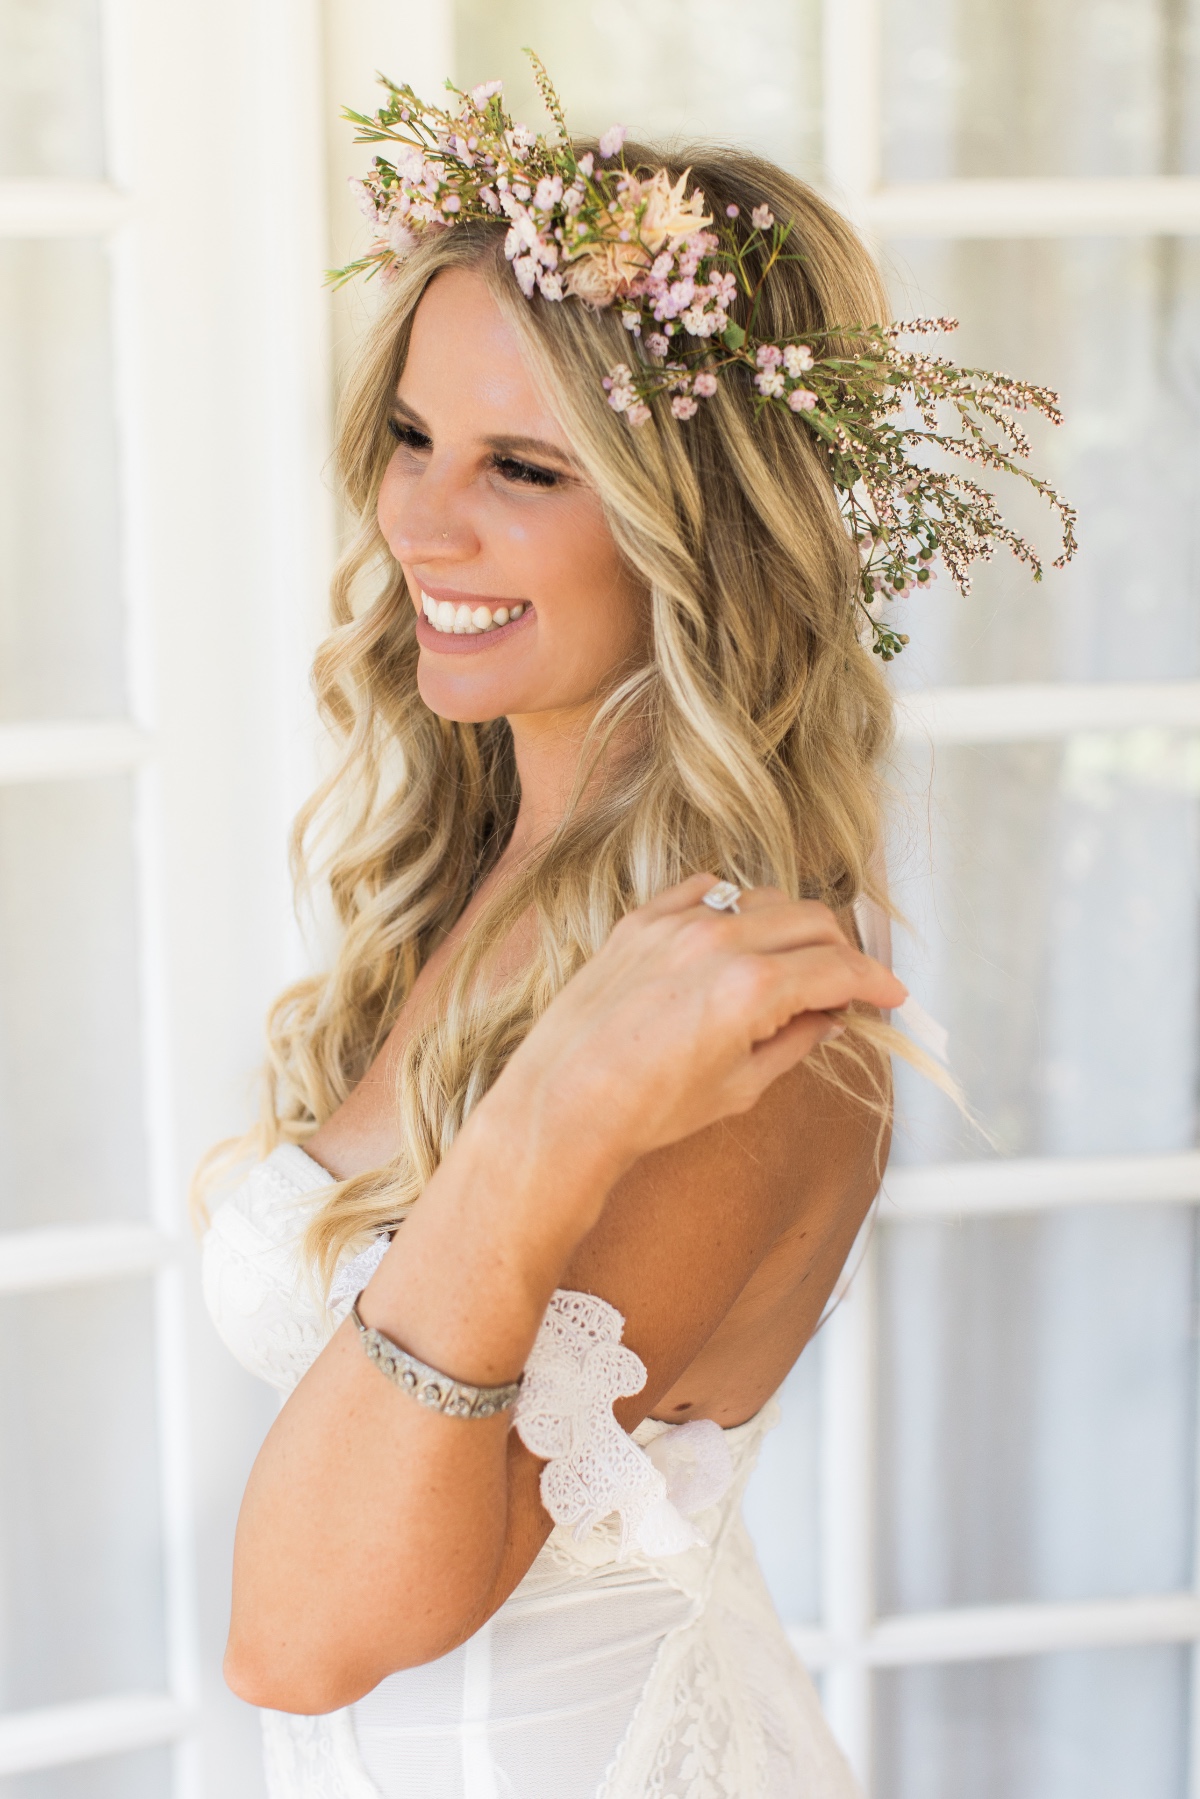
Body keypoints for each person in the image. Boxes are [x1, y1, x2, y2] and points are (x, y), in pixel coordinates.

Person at [200, 66, 1069, 1799]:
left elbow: (299, 1641)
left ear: (707, 531)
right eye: (411, 436)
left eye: (524, 467)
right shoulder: (491, 869)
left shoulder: (735, 1020)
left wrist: (553, 1108)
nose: (419, 521)